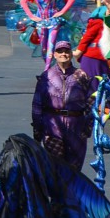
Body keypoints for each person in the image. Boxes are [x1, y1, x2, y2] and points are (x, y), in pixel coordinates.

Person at [31, 40, 96, 171]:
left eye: (66, 51)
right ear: (54, 54)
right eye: (60, 51)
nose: (63, 54)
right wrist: (38, 129)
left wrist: (88, 128)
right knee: (54, 167)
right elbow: (37, 104)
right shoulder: (46, 76)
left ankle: (70, 192)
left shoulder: (81, 75)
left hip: (76, 127)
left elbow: (91, 103)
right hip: (52, 126)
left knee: (74, 170)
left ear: (71, 54)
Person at [20, 0, 75, 68]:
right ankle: (49, 66)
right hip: (40, 21)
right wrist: (31, 16)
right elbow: (23, 1)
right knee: (43, 47)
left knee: (51, 45)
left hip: (53, 21)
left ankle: (47, 70)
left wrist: (61, 12)